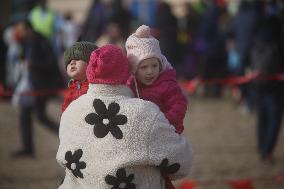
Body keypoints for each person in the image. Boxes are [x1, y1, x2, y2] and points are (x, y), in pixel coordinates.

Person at [56, 44, 192, 188]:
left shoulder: (71, 111)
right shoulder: (145, 112)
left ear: (91, 71)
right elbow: (181, 161)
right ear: (126, 72)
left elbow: (63, 158)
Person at [125, 25, 188, 189]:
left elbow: (179, 105)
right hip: (138, 140)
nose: (150, 71)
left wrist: (164, 124)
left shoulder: (167, 84)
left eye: (154, 65)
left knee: (161, 178)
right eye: (143, 67)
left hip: (164, 136)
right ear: (134, 69)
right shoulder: (130, 86)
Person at [11, 19, 64, 158]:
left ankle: (67, 138)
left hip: (42, 85)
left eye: (21, 29)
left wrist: (34, 64)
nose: (19, 32)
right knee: (25, 114)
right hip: (31, 84)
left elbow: (51, 62)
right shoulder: (26, 41)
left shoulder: (41, 40)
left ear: (28, 29)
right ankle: (27, 148)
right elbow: (27, 58)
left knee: (40, 116)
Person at [61, 41, 97, 112]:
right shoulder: (71, 88)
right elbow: (65, 111)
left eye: (77, 59)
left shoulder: (97, 86)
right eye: (68, 62)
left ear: (91, 62)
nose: (72, 63)